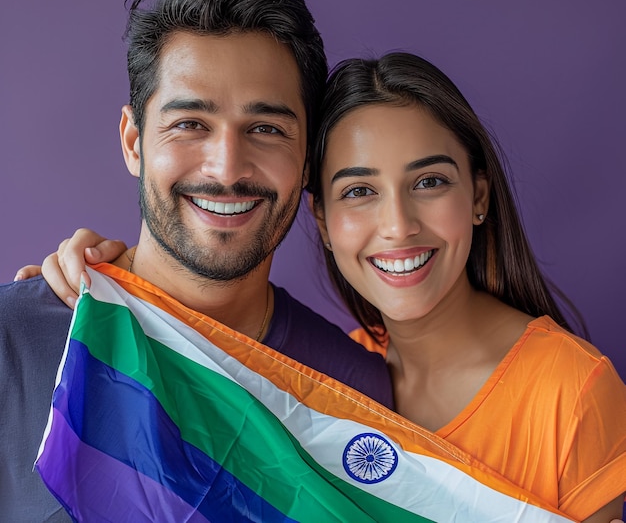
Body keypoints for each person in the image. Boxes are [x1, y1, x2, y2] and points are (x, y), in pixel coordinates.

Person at [37, 52, 626, 521]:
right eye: (358, 191)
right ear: (321, 220)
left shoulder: (571, 391)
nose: (397, 226)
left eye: (428, 181)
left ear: (477, 196)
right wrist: (109, 283)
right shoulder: (331, 374)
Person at [0, 0, 392, 522]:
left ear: (307, 161)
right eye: (189, 124)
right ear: (134, 142)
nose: (227, 168)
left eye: (266, 129)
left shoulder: (358, 394)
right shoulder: (10, 345)